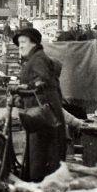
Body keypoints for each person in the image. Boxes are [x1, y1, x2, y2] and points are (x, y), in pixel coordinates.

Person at [12, 27, 66, 183]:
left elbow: (42, 81)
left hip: (42, 115)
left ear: (33, 43)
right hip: (42, 113)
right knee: (41, 153)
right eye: (19, 43)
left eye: (23, 42)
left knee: (41, 154)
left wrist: (25, 88)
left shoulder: (38, 59)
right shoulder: (35, 58)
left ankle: (40, 189)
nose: (20, 46)